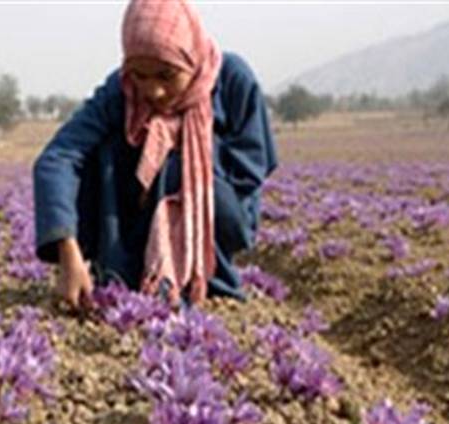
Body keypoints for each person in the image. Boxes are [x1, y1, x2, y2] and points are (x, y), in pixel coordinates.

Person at [33, 0, 277, 309]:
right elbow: (59, 157)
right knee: (104, 149)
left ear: (190, 58)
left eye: (167, 75)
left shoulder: (231, 79)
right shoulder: (121, 88)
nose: (153, 91)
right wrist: (68, 249)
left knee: (176, 159)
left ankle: (196, 277)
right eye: (140, 75)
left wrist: (182, 154)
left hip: (218, 214)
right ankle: (119, 269)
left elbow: (249, 171)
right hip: (137, 215)